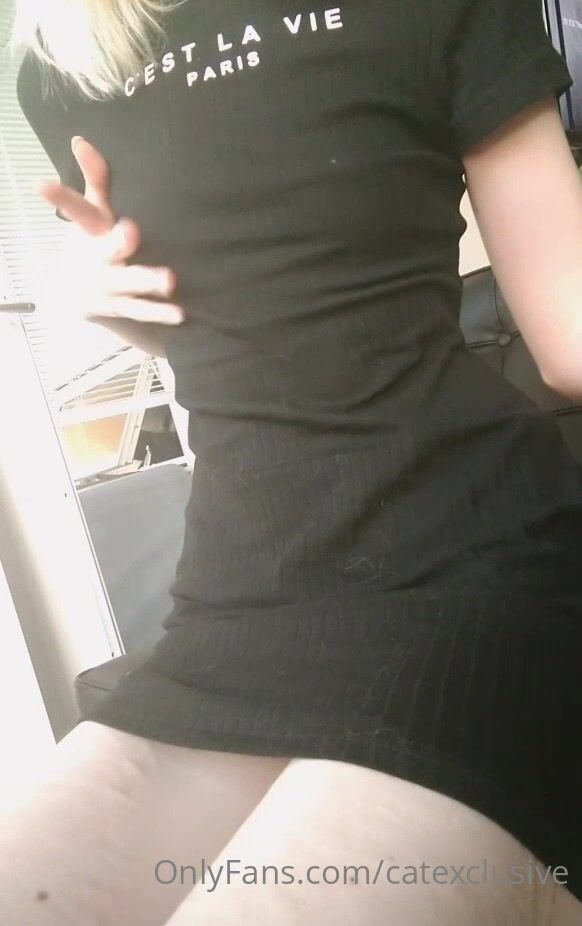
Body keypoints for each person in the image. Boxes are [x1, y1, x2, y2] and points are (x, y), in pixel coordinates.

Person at [2, 0, 582, 922]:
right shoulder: (69, 58)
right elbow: (243, 334)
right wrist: (103, 302)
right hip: (241, 596)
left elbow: (571, 338)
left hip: (474, 564)